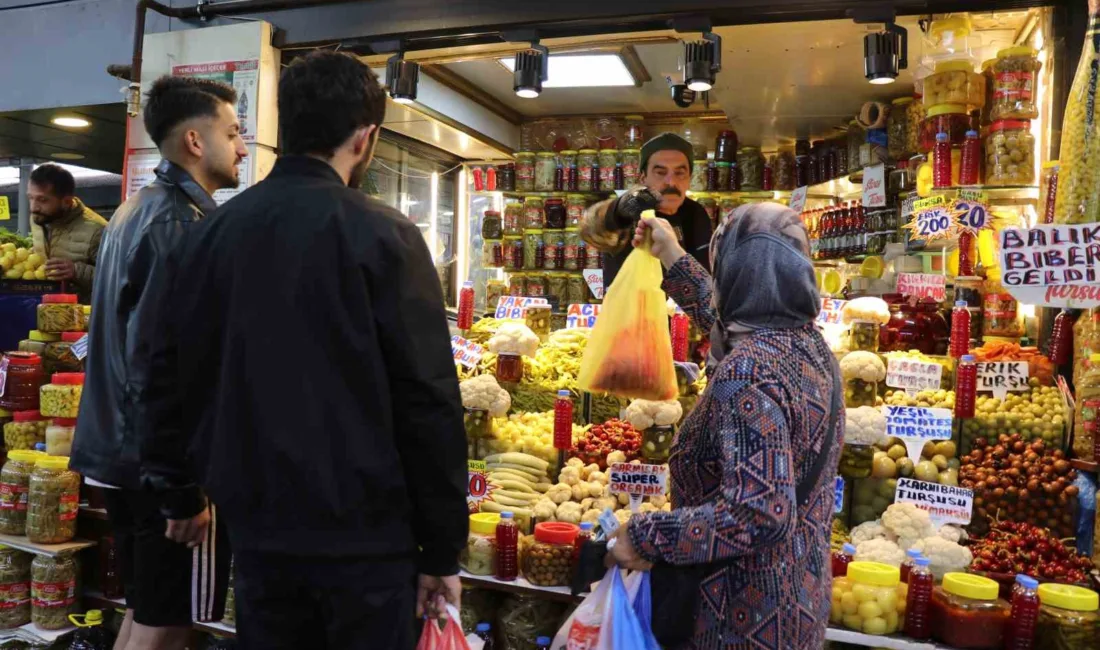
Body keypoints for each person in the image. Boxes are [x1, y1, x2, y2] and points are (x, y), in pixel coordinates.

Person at [143, 51, 468, 650]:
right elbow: (428, 403)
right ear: (366, 138)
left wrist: (179, 489)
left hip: (257, 529)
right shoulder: (387, 236)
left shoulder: (207, 235)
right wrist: (442, 546)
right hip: (367, 538)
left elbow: (162, 372)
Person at [608, 203, 844, 650]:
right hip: (800, 601)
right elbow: (729, 321)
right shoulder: (812, 348)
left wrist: (644, 535)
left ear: (737, 273)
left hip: (737, 616)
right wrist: (672, 255)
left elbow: (758, 513)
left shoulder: (748, 371)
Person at [70, 75, 247, 650]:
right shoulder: (177, 224)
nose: (242, 147)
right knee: (169, 618)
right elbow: (159, 365)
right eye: (234, 132)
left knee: (148, 607)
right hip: (150, 464)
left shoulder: (137, 208)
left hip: (124, 456)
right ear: (196, 141)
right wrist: (180, 489)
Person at [580, 132, 712, 288]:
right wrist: (618, 209)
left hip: (683, 310)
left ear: (690, 178)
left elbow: (705, 275)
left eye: (680, 173)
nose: (671, 182)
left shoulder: (696, 213)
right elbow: (590, 227)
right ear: (643, 178)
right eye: (660, 172)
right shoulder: (630, 209)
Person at [27, 163, 108, 301]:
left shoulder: (97, 230)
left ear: (66, 201)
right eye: (30, 198)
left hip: (81, 316)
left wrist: (77, 271)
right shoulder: (38, 219)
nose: (34, 207)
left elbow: (119, 277)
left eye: (43, 200)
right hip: (44, 310)